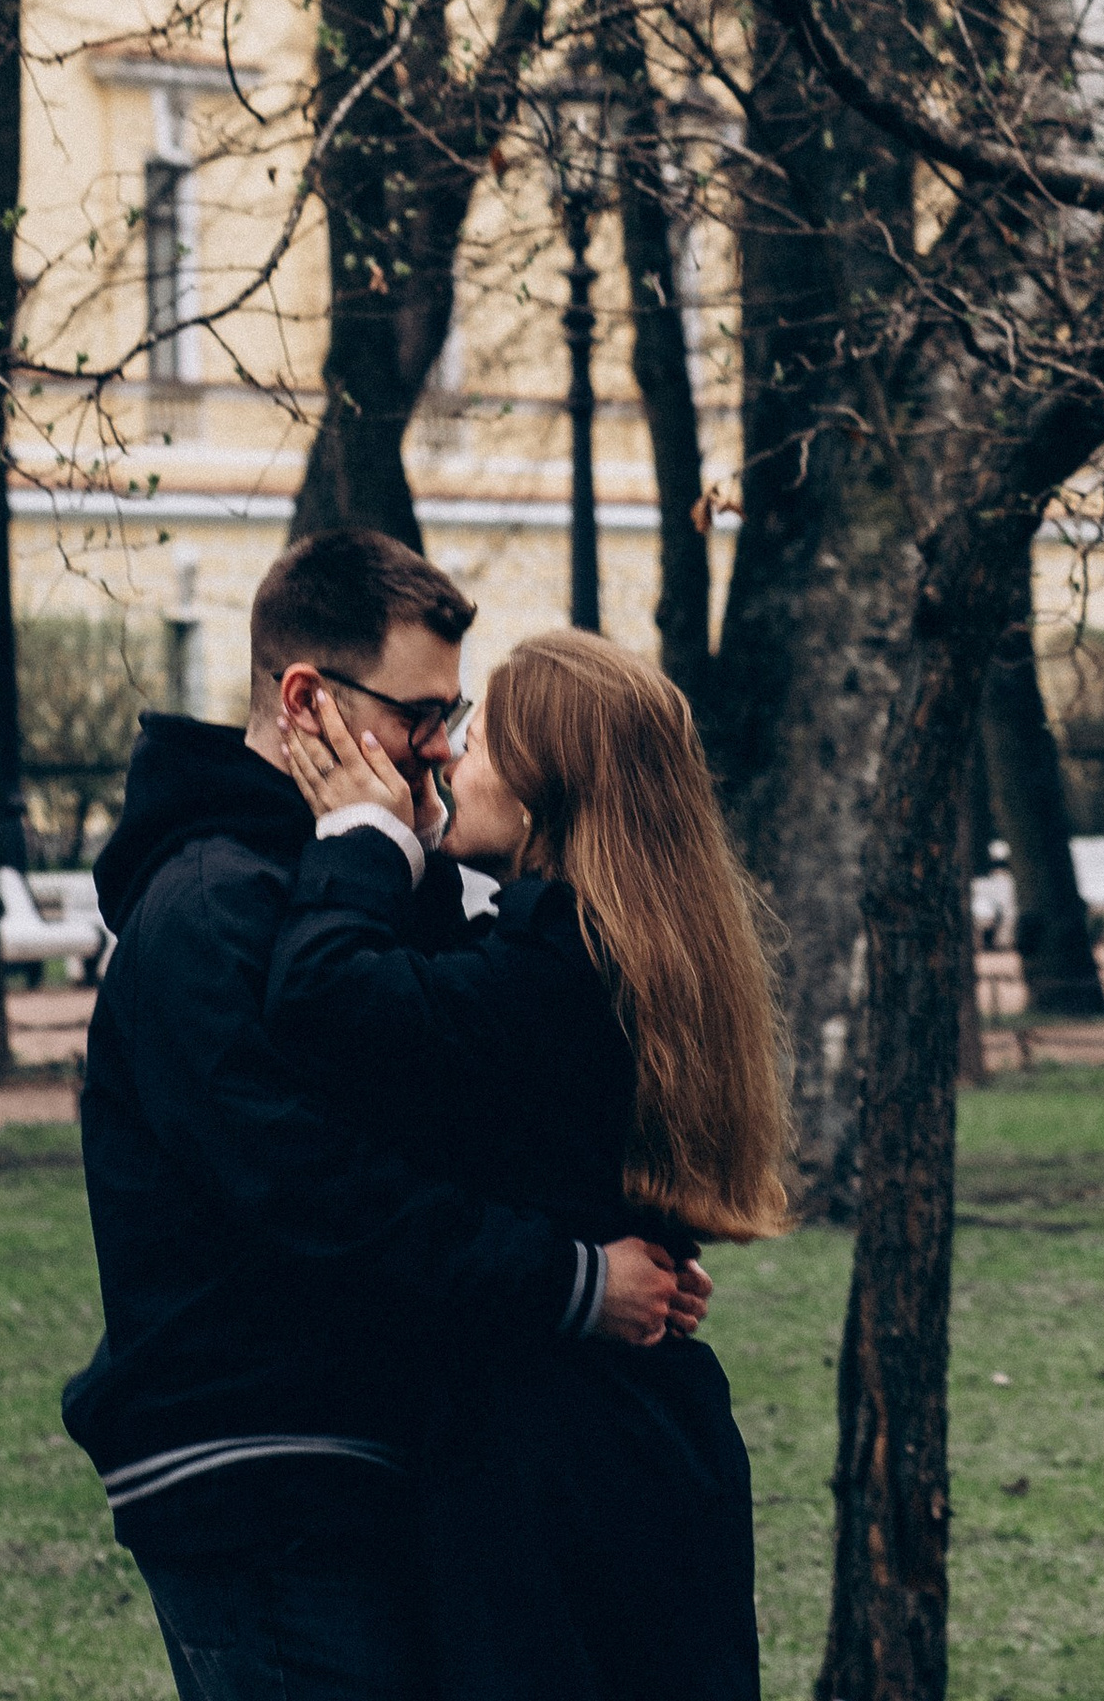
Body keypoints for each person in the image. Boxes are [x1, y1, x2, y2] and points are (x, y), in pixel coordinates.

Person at [64, 530, 697, 1701]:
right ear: (305, 697)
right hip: (259, 1464)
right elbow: (306, 1187)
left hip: (363, 1446)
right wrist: (570, 1280)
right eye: (421, 714)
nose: (446, 746)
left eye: (458, 714)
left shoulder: (346, 879)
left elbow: (471, 1097)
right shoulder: (215, 905)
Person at [268, 628, 787, 1701]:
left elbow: (327, 1000)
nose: (449, 756)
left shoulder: (556, 975)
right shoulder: (619, 956)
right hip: (646, 1441)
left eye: (479, 737)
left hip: (554, 1462)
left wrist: (362, 837)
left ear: (547, 785)